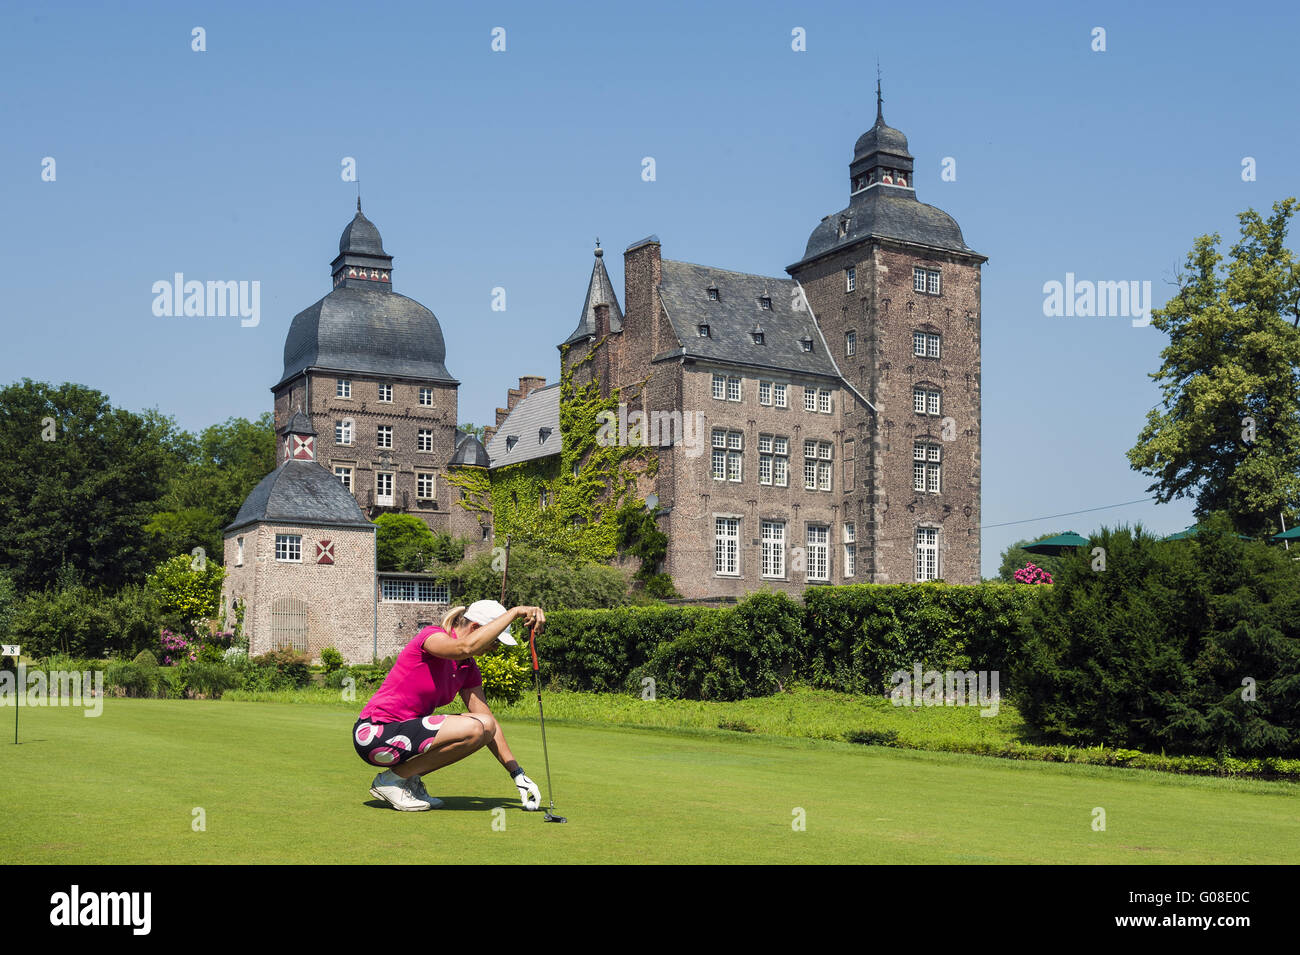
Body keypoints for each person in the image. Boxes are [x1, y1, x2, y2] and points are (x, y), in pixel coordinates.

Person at [353, 599, 546, 812]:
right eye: (495, 641)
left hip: (405, 737)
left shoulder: (467, 667)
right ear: (475, 628)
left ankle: (404, 778)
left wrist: (517, 773)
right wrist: (516, 611)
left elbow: (489, 724)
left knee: (484, 726)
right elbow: (465, 646)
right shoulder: (431, 637)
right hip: (374, 734)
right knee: (475, 726)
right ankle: (392, 781)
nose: (494, 648)